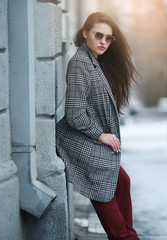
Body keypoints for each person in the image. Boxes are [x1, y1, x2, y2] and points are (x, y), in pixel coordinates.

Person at [56, 12, 139, 240]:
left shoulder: (94, 61)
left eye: (108, 38)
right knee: (105, 189)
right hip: (77, 141)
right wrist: (101, 134)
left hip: (88, 140)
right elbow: (74, 114)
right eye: (98, 35)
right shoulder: (80, 64)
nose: (103, 41)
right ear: (85, 34)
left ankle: (127, 234)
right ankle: (125, 236)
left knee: (123, 181)